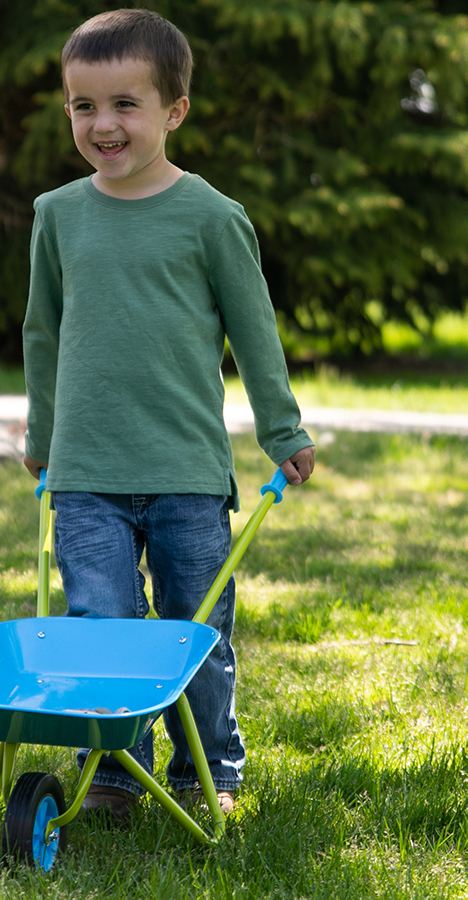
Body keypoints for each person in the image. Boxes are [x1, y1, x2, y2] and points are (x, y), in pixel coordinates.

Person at [22, 8, 315, 822]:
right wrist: (40, 438)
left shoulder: (212, 218)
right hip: (85, 473)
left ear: (174, 111)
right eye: (84, 106)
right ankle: (114, 771)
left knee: (197, 639)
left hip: (187, 472)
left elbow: (255, 333)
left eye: (125, 104)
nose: (103, 124)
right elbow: (42, 334)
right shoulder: (58, 215)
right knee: (101, 632)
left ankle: (204, 768)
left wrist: (283, 429)